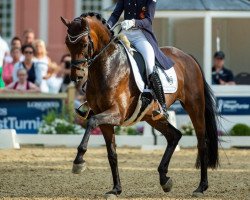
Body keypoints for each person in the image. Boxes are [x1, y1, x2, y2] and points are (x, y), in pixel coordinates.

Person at [107, 0, 174, 119]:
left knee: (149, 65)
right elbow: (115, 14)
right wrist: (107, 26)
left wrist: (133, 22)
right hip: (125, 34)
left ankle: (161, 106)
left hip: (140, 36)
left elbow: (148, 21)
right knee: (108, 58)